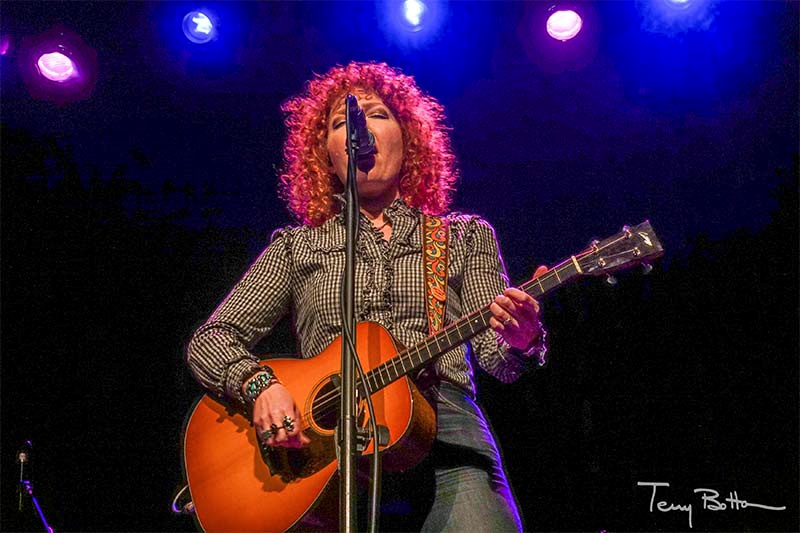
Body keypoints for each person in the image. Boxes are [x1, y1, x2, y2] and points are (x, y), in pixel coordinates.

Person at [186, 61, 548, 532]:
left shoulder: (463, 236)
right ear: (326, 155)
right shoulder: (296, 247)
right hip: (326, 454)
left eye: (378, 114)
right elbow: (211, 339)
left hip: (446, 432)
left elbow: (499, 361)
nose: (361, 129)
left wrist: (522, 338)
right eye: (341, 122)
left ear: (408, 138)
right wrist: (260, 386)